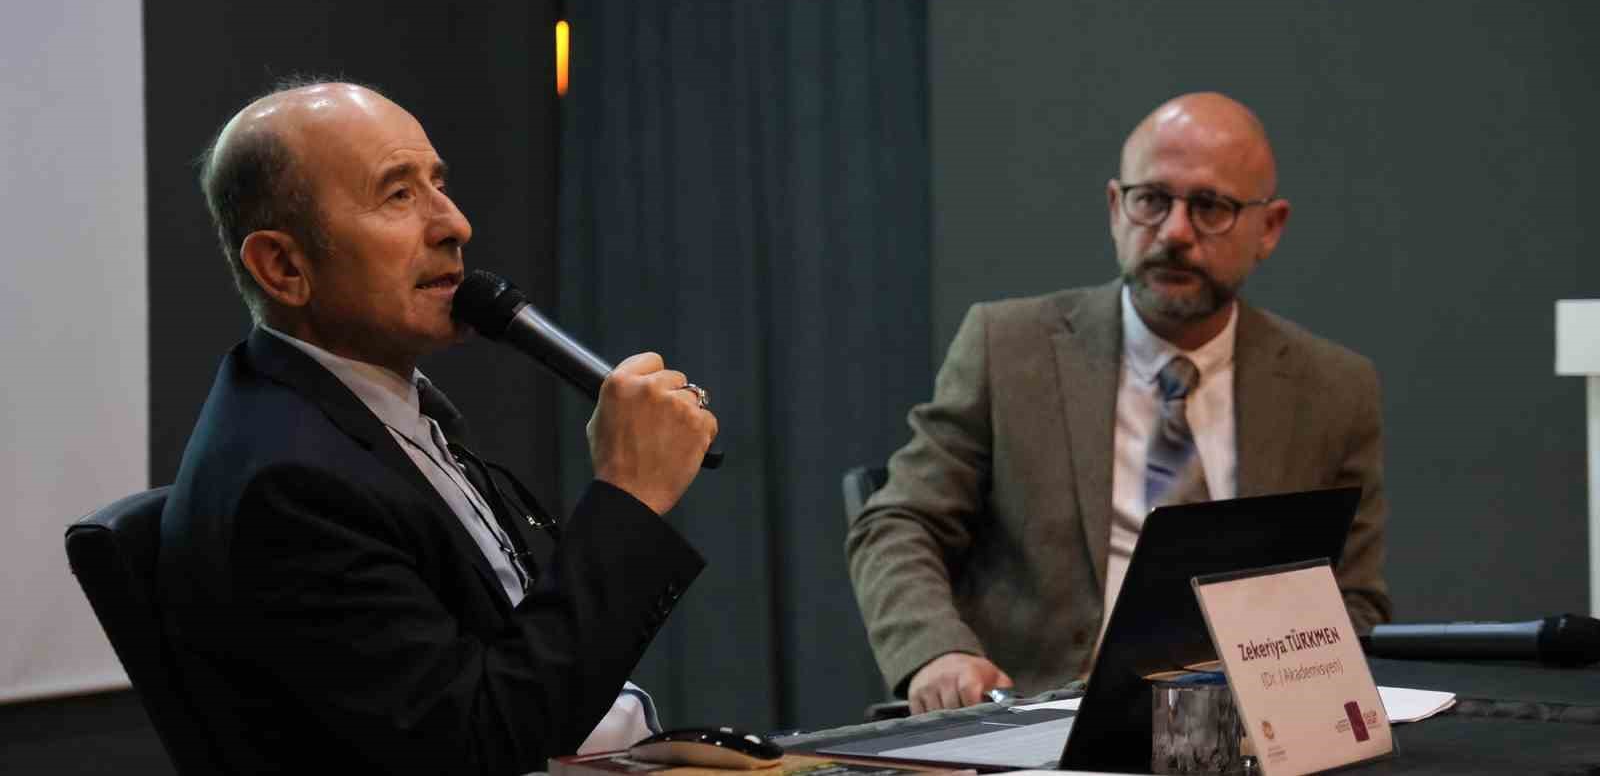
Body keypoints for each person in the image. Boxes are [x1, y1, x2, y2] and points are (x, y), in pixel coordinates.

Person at [156, 81, 719, 775]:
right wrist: (629, 494)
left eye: (439, 185)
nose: (455, 224)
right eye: (398, 194)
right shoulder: (287, 480)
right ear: (285, 266)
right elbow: (481, 745)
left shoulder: (382, 413)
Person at [846, 92, 1391, 714]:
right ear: (1115, 208)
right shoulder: (1010, 349)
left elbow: (1352, 596)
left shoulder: (1332, 389)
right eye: (1151, 200)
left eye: (1210, 207)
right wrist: (936, 652)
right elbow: (898, 522)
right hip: (1034, 718)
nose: (1175, 232)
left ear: (1269, 228)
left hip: (1246, 725)